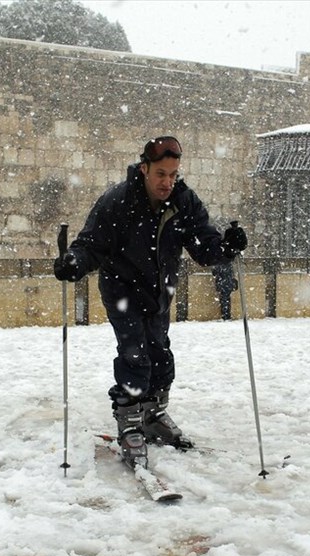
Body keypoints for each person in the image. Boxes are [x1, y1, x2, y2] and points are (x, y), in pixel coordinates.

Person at [53, 136, 247, 467]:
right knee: (135, 357)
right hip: (122, 290)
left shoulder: (183, 202)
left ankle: (153, 416)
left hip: (159, 292)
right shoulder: (118, 201)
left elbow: (203, 244)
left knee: (160, 355)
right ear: (144, 169)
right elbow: (92, 244)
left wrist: (226, 248)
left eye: (173, 174)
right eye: (161, 174)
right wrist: (74, 261)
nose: (167, 182)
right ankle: (129, 424)